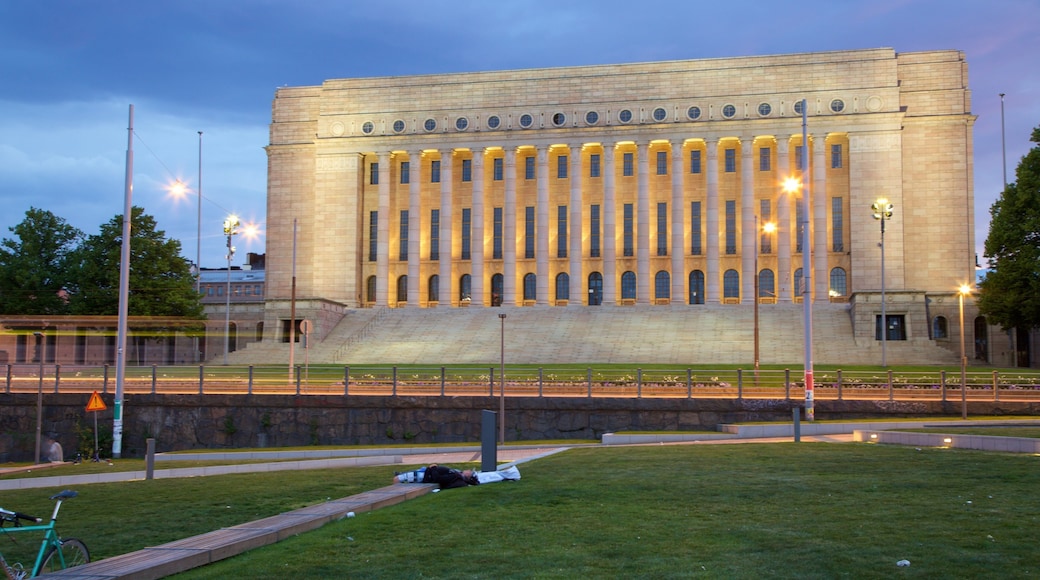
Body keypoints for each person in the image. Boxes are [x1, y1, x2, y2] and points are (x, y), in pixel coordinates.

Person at [393, 464, 478, 489]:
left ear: (468, 475)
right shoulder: (458, 474)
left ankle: (394, 495)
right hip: (425, 473)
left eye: (470, 471)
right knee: (400, 476)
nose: (469, 470)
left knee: (396, 479)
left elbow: (437, 479)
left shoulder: (455, 476)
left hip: (424, 476)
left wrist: (433, 468)